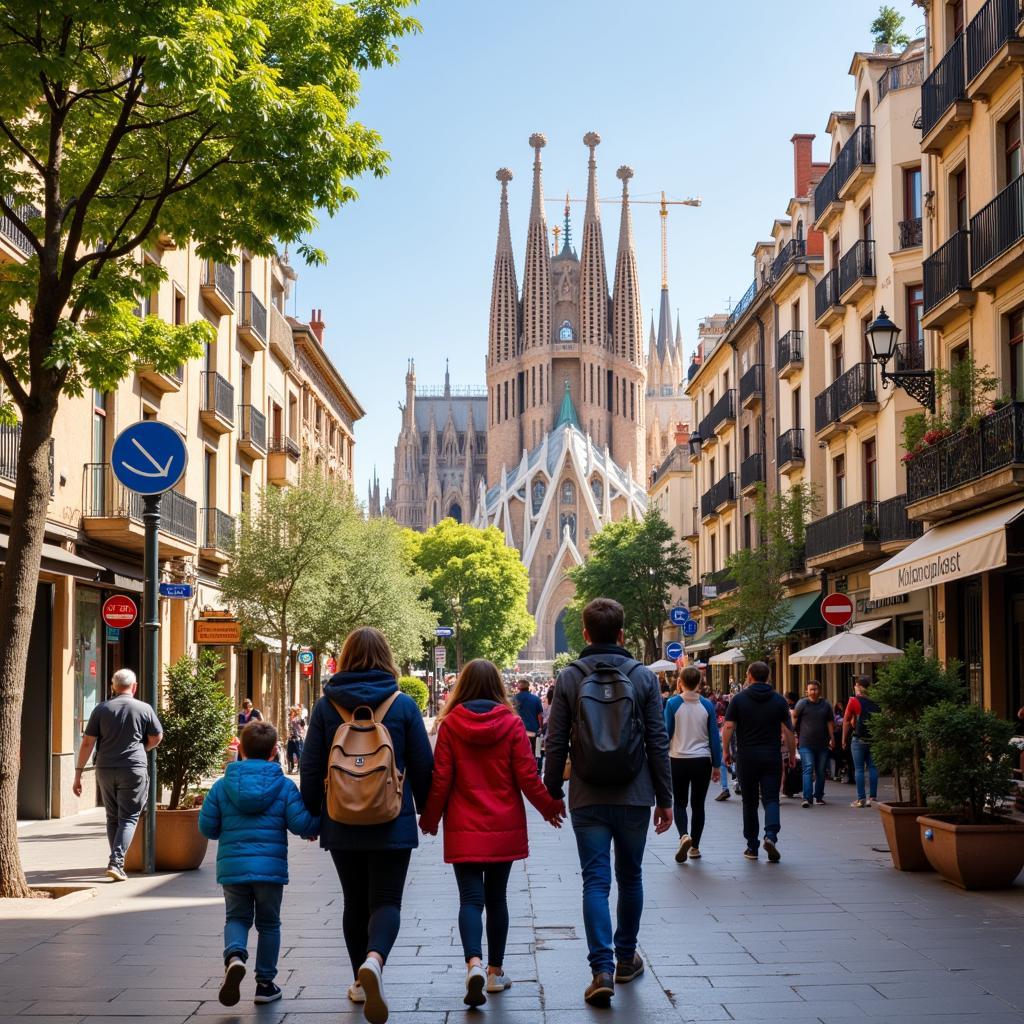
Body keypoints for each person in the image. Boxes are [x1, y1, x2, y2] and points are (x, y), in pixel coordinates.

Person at [543, 597, 673, 1008]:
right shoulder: (643, 678)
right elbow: (657, 741)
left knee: (595, 882)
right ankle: (625, 959)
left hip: (587, 795)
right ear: (622, 633)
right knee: (630, 877)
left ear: (584, 633)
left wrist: (551, 792)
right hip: (635, 795)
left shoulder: (568, 677)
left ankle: (600, 968)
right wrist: (666, 799)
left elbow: (555, 741)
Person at [300, 627, 434, 1024]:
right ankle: (374, 962)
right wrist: (428, 812)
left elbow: (310, 766)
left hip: (341, 821)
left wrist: (312, 814)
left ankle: (359, 981)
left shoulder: (327, 707)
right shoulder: (404, 705)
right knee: (387, 901)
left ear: (346, 657)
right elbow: (424, 766)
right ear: (386, 657)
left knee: (354, 902)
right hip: (392, 819)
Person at [419, 660, 565, 1007]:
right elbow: (528, 776)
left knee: (470, 899)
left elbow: (441, 778)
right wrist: (549, 808)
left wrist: (430, 818)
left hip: (464, 826)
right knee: (497, 899)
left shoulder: (451, 725)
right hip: (503, 827)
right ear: (498, 685)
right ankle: (496, 972)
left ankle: (473, 965)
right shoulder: (512, 724)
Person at [199, 720, 319, 1006]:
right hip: (269, 871)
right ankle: (265, 984)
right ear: (274, 751)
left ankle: (236, 956)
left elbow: (207, 828)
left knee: (237, 918)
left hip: (233, 868)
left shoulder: (221, 786)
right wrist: (319, 823)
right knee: (269, 924)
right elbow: (301, 824)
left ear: (240, 749)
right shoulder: (284, 786)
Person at [72, 668, 162, 882]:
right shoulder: (144, 708)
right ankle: (116, 862)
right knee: (129, 817)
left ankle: (116, 861)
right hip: (133, 768)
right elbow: (157, 736)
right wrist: (143, 749)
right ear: (135, 686)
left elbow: (87, 742)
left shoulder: (101, 709)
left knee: (112, 817)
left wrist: (78, 773)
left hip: (104, 768)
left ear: (113, 686)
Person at [720, 662, 795, 863]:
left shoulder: (739, 699)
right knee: (771, 798)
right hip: (771, 756)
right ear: (768, 677)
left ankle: (752, 847)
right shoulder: (779, 700)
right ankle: (770, 835)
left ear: (750, 676)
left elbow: (728, 727)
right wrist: (793, 754)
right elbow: (788, 730)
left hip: (747, 757)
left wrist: (725, 751)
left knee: (749, 802)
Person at [664, 667, 722, 862]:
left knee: (679, 802)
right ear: (699, 682)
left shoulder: (672, 704)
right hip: (702, 760)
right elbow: (714, 736)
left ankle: (683, 836)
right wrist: (716, 764)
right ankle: (695, 847)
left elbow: (667, 732)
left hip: (678, 759)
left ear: (680, 681)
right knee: (698, 805)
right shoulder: (707, 705)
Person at [792, 681, 833, 807]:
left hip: (822, 743)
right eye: (811, 690)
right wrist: (792, 734)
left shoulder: (825, 705)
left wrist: (832, 738)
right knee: (808, 768)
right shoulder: (802, 703)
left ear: (819, 690)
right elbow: (794, 717)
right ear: (807, 691)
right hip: (806, 742)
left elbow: (830, 722)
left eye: (815, 689)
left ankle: (819, 796)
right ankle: (807, 798)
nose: (813, 692)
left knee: (821, 771)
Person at [843, 676, 880, 808]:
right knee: (873, 768)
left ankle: (861, 799)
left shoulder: (853, 701)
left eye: (855, 686)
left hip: (859, 739)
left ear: (858, 686)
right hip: (874, 738)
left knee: (859, 769)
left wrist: (843, 739)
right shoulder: (877, 701)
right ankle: (873, 798)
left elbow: (846, 721)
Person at [513, 677, 545, 774]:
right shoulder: (535, 699)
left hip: (518, 730)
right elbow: (540, 715)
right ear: (528, 688)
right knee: (536, 751)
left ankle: (521, 769)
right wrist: (541, 727)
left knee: (520, 752)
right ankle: (535, 769)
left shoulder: (514, 699)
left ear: (519, 688)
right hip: (533, 730)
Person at [286, 707, 306, 774]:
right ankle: (291, 768)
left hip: (298, 739)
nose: (290, 713)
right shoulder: (289, 719)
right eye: (290, 712)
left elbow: (303, 724)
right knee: (289, 754)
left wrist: (301, 734)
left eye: (292, 712)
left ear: (295, 712)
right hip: (291, 739)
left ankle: (298, 769)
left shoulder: (298, 719)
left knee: (299, 755)